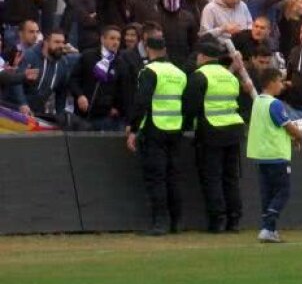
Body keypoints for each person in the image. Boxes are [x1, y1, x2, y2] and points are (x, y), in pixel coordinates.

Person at [184, 39, 254, 233]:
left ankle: (218, 220)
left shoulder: (199, 76)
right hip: (234, 130)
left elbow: (190, 107)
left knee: (212, 177)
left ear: (202, 57)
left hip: (212, 131)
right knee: (231, 177)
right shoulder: (229, 76)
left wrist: (186, 126)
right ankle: (234, 219)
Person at [125, 36, 188, 235]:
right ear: (165, 49)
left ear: (147, 49)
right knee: (173, 176)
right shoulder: (179, 73)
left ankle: (160, 223)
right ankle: (177, 222)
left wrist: (133, 129)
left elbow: (141, 102)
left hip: (154, 128)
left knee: (156, 177)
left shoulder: (149, 71)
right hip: (175, 129)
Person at [246, 67, 302, 243]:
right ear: (271, 83)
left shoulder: (258, 101)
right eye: (279, 81)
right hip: (276, 155)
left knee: (268, 193)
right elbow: (288, 127)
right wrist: (298, 135)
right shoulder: (274, 104)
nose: (282, 85)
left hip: (261, 155)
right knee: (283, 192)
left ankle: (268, 229)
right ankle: (268, 225)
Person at [69, 25, 124, 131]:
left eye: (118, 39)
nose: (116, 42)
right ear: (102, 39)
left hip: (106, 117)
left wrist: (117, 107)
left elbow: (122, 88)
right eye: (112, 38)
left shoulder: (120, 62)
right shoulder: (88, 56)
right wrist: (80, 95)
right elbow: (73, 80)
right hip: (83, 114)